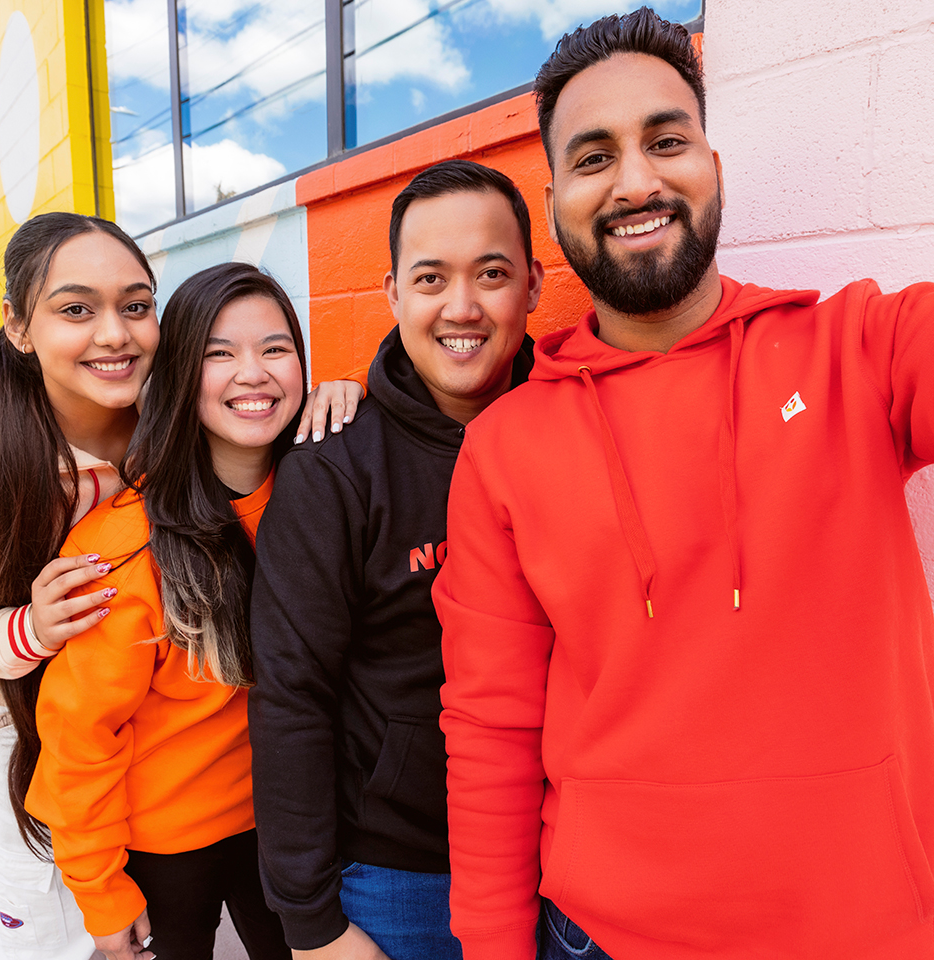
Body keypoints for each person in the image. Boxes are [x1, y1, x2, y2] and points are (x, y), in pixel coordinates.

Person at [432, 8, 934, 960]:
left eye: (667, 140)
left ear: (713, 165)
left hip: (873, 936)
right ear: (554, 201)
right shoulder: (503, 447)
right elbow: (491, 733)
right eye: (593, 157)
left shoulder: (856, 354)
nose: (636, 179)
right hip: (607, 941)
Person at [0, 212, 360, 960]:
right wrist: (26, 630)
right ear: (19, 326)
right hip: (35, 736)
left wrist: (339, 395)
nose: (115, 333)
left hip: (237, 785)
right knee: (61, 941)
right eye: (75, 308)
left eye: (135, 304)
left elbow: (249, 385)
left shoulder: (167, 408)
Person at [247, 159, 545, 960]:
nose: (461, 307)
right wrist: (310, 924)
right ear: (391, 295)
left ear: (534, 286)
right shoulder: (335, 466)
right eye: (430, 278)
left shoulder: (575, 426)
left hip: (565, 855)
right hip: (403, 877)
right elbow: (290, 695)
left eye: (491, 274)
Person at [24, 263, 304, 960]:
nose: (253, 374)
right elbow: (78, 738)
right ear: (179, 373)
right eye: (219, 353)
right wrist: (100, 891)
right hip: (165, 840)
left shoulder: (323, 495)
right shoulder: (121, 548)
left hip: (285, 820)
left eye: (276, 349)